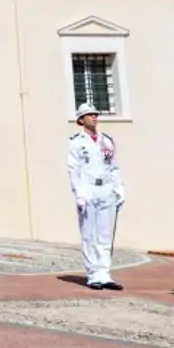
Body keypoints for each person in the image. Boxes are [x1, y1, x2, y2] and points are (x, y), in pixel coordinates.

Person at [66, 103, 124, 290]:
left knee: (105, 234)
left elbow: (113, 167)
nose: (94, 117)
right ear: (81, 120)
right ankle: (93, 275)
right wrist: (79, 194)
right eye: (89, 115)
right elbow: (73, 170)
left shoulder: (106, 141)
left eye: (95, 114)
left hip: (105, 189)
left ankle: (104, 273)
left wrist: (119, 189)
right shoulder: (76, 142)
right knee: (89, 234)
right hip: (88, 190)